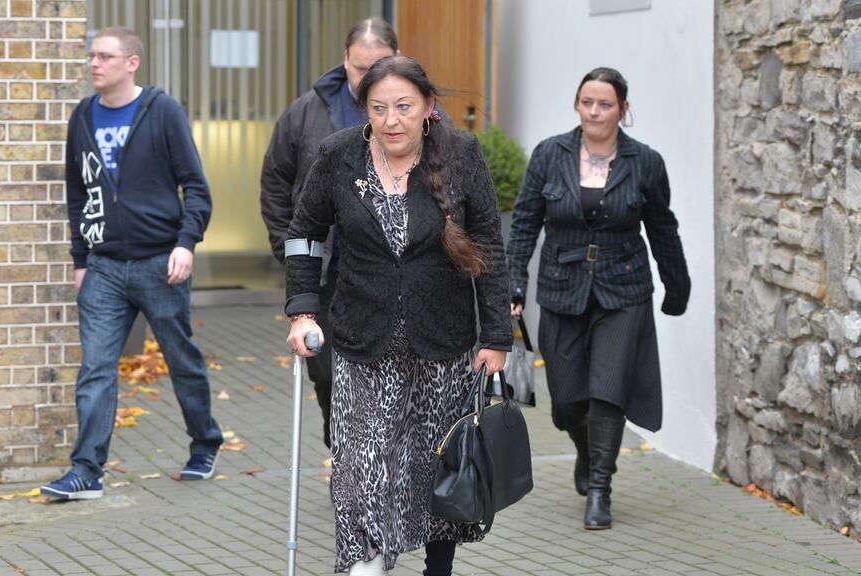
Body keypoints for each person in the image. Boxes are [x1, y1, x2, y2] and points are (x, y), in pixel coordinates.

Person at [285, 56, 511, 575]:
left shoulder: (460, 153)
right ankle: (365, 565)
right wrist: (302, 310)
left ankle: (437, 569)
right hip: (363, 340)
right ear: (364, 109)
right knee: (360, 469)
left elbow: (489, 248)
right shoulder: (339, 155)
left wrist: (497, 336)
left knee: (433, 465)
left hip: (443, 343)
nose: (391, 120)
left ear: (428, 107)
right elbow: (304, 234)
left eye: (404, 107)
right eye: (378, 108)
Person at [43, 26, 223, 500]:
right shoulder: (83, 116)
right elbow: (78, 194)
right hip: (103, 265)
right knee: (96, 369)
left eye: (105, 56)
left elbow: (196, 187)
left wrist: (186, 243)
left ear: (132, 63)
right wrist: (80, 259)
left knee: (181, 359)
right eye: (92, 56)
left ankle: (205, 443)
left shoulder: (163, 111)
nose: (94, 64)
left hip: (160, 262)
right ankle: (86, 470)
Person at [507, 67, 690, 530]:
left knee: (608, 389)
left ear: (622, 110)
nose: (594, 111)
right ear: (577, 104)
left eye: (605, 104)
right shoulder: (550, 154)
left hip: (623, 289)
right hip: (561, 287)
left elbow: (663, 228)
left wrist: (677, 285)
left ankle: (600, 490)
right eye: (587, 102)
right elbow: (525, 222)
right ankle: (587, 454)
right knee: (568, 400)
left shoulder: (645, 161)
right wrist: (513, 284)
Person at [261, 17, 398, 450]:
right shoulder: (306, 112)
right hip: (325, 274)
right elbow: (276, 184)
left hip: (389, 273)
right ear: (344, 60)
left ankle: (370, 461)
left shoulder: (419, 112)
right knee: (327, 374)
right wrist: (292, 255)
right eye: (360, 68)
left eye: (379, 68)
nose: (369, 78)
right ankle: (343, 449)